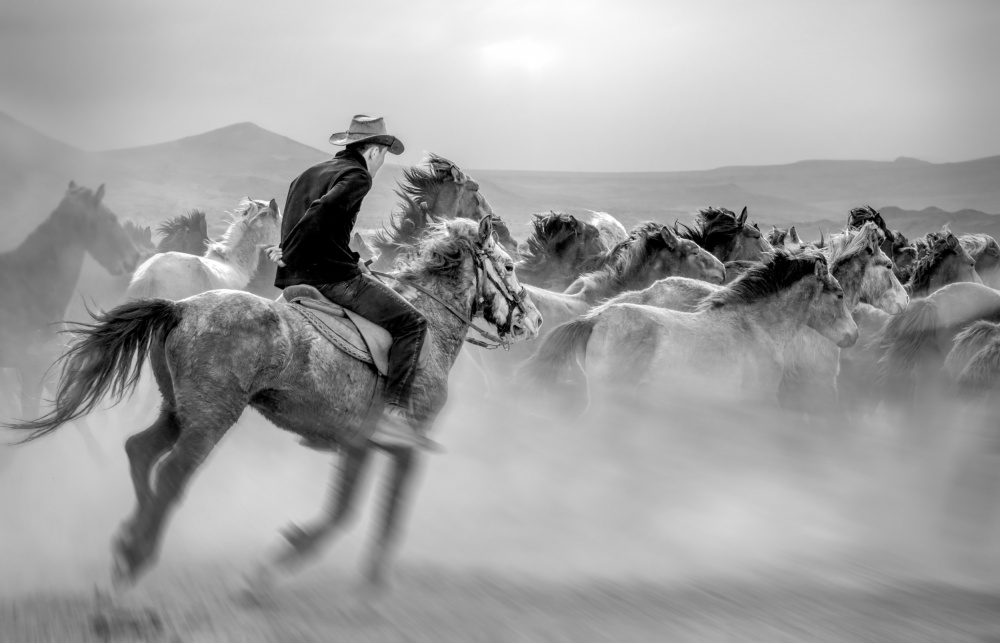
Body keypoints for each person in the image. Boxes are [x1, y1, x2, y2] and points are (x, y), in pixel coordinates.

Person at [268, 115, 437, 452]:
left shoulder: (309, 173)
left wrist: (295, 250)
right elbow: (321, 211)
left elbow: (315, 225)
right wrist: (291, 249)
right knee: (413, 324)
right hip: (331, 279)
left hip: (294, 277)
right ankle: (392, 416)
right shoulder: (358, 176)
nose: (381, 163)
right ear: (374, 151)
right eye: (383, 155)